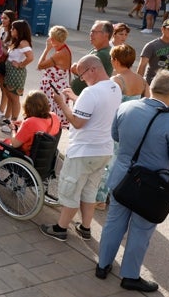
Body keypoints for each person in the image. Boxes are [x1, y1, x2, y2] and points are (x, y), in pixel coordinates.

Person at [96, 70, 169, 293]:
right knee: (140, 230)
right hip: (151, 187)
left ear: (151, 86)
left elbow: (116, 136)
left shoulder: (126, 106)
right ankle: (129, 276)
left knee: (113, 223)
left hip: (122, 177)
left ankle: (102, 265)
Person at [39, 55, 122, 242]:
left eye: (82, 75)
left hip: (84, 150)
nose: (81, 79)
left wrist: (61, 103)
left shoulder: (90, 93)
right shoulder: (115, 87)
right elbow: (97, 109)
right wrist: (75, 98)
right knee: (89, 190)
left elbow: (77, 122)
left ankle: (60, 228)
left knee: (71, 188)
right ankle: (85, 228)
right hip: (104, 150)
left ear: (93, 69)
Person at [95, 44, 150, 209]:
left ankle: (100, 198)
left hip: (115, 126)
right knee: (123, 163)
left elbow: (107, 104)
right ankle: (115, 195)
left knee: (108, 163)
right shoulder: (142, 80)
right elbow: (147, 103)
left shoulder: (117, 80)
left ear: (116, 60)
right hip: (134, 127)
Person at [0, 91, 61, 180]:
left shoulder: (30, 123)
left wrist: (13, 129)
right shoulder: (53, 117)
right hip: (42, 158)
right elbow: (39, 126)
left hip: (22, 156)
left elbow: (14, 144)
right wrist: (22, 124)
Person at [2, 20, 34, 133]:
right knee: (10, 96)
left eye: (13, 29)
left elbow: (30, 57)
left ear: (19, 30)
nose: (11, 30)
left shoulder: (23, 42)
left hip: (16, 73)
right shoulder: (17, 41)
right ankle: (8, 119)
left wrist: (20, 65)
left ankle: (13, 123)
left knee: (14, 99)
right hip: (10, 71)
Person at [37, 25, 72, 128]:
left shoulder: (60, 54)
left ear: (52, 39)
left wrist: (47, 49)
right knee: (55, 120)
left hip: (53, 90)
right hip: (57, 87)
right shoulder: (64, 49)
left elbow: (40, 65)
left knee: (51, 119)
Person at [71, 20, 113, 96]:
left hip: (88, 98)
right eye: (91, 31)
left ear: (106, 35)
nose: (91, 34)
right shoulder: (95, 50)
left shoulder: (103, 54)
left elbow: (88, 74)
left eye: (94, 32)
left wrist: (76, 69)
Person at [136, 18, 169, 85]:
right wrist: (139, 84)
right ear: (162, 29)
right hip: (152, 83)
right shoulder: (151, 45)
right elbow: (142, 65)